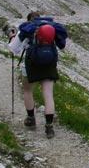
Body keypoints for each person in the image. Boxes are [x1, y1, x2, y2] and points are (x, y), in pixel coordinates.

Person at [8, 11, 67, 139]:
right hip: (49, 64)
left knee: (27, 91)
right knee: (48, 94)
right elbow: (61, 45)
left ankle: (31, 119)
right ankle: (49, 127)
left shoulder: (26, 29)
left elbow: (14, 49)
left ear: (29, 20)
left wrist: (12, 37)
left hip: (30, 64)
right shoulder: (51, 28)